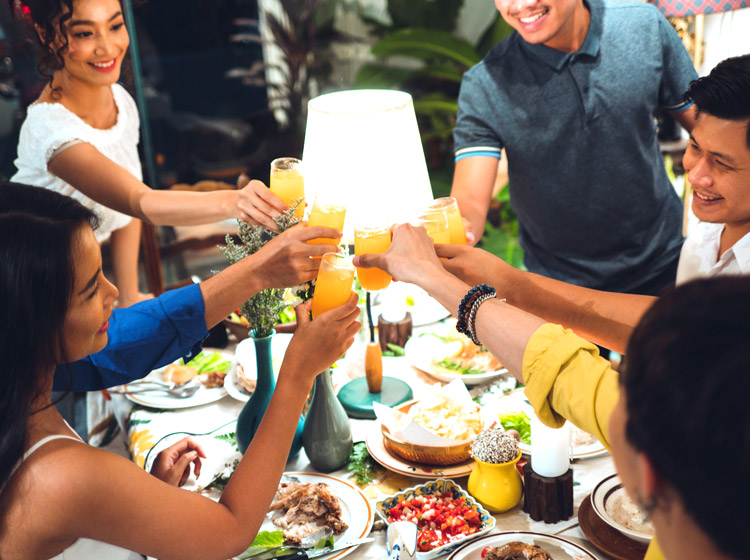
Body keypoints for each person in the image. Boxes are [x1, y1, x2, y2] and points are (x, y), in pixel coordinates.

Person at [0, 182, 360, 560]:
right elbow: (230, 530)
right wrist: (297, 375)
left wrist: (142, 497)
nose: (115, 294)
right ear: (33, 324)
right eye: (90, 291)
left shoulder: (22, 407)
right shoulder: (65, 476)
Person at [353, 223, 750, 560]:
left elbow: (564, 369)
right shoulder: (697, 436)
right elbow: (564, 368)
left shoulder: (654, 429)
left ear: (647, 474)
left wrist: (432, 277)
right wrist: (497, 284)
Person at [438, 54, 750, 354]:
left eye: (723, 164)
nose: (696, 175)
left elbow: (682, 330)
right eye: (694, 146)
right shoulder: (704, 237)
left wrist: (508, 284)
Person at [8, 0, 291, 307]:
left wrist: (129, 296)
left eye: (115, 26)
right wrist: (236, 201)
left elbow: (128, 213)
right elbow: (139, 201)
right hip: (36, 291)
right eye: (84, 34)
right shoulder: (51, 131)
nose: (108, 47)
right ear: (46, 35)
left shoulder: (119, 101)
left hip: (82, 279)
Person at [450, 0, 698, 297]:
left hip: (664, 264)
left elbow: (708, 127)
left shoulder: (642, 25)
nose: (521, 5)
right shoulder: (485, 83)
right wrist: (456, 230)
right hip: (560, 288)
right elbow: (470, 201)